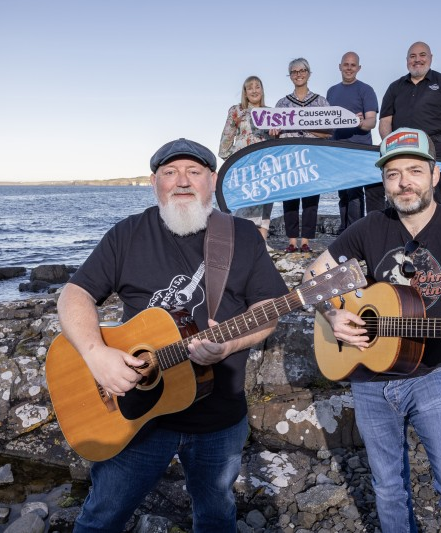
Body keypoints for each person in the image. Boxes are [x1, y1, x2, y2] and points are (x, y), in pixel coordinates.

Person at [58, 138, 289, 532]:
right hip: (136, 417)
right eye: (170, 173)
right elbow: (74, 294)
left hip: (219, 417)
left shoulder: (243, 235)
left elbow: (268, 314)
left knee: (216, 518)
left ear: (211, 181)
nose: (182, 181)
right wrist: (97, 354)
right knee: (100, 519)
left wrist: (230, 344)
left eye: (194, 172)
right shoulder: (128, 234)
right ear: (154, 182)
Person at [304, 128, 441, 532]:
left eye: (414, 170)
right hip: (367, 375)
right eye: (393, 174)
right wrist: (331, 314)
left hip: (437, 374)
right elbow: (314, 274)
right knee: (388, 488)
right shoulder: (368, 228)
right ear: (384, 182)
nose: (404, 182)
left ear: (435, 175)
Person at [379, 41, 441, 203]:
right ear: (407, 60)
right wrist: (389, 147)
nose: (417, 59)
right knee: (402, 190)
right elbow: (385, 122)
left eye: (422, 55)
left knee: (431, 192)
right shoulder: (395, 87)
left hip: (436, 145)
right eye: (412, 56)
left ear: (431, 58)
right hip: (401, 146)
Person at [274, 58, 331, 253]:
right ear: (290, 76)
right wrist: (275, 131)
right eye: (294, 71)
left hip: (312, 157)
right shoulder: (282, 104)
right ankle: (291, 241)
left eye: (302, 70)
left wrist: (307, 127)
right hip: (289, 158)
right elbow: (276, 133)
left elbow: (329, 132)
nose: (298, 74)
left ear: (309, 73)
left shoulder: (321, 101)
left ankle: (305, 240)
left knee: (310, 200)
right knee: (289, 199)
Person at [326, 51, 381, 226]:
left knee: (355, 192)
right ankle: (344, 232)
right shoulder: (331, 91)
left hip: (359, 149)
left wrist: (360, 122)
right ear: (340, 66)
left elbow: (371, 122)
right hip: (337, 150)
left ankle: (355, 231)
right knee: (342, 193)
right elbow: (328, 121)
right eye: (346, 64)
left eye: (353, 65)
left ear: (358, 68)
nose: (349, 68)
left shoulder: (366, 90)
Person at [218, 75, 274, 248]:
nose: (254, 90)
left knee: (265, 203)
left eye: (258, 87)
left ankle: (262, 245)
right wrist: (232, 160)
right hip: (243, 164)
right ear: (245, 92)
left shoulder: (271, 112)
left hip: (265, 164)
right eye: (250, 87)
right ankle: (241, 244)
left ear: (262, 90)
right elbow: (226, 138)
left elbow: (277, 142)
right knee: (245, 203)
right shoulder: (237, 110)